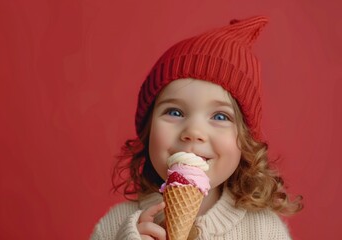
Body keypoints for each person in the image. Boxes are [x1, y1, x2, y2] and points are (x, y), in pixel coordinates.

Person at [90, 15, 303, 240]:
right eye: (175, 112)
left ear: (246, 141)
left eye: (220, 116)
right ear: (148, 128)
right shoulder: (115, 226)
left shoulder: (263, 230)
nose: (193, 131)